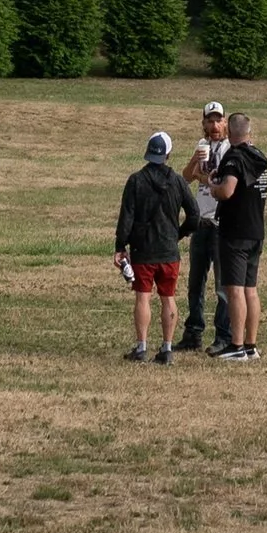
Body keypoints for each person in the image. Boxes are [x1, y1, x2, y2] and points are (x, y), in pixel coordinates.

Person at [116, 129, 190, 365]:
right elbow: (195, 215)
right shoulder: (178, 181)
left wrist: (120, 247)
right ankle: (167, 349)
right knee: (168, 298)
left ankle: (141, 347)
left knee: (143, 298)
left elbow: (126, 217)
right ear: (168, 155)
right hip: (169, 251)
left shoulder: (136, 180)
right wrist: (179, 234)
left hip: (143, 251)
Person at [214, 110, 267, 363]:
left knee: (234, 290)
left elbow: (227, 191)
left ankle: (236, 346)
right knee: (251, 290)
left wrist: (213, 187)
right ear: (250, 132)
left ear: (229, 132)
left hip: (236, 232)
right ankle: (251, 345)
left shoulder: (235, 158)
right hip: (256, 230)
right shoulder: (258, 156)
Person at [178, 105, 228, 353]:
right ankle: (193, 333)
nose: (214, 126)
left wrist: (203, 178)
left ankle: (223, 336)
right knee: (195, 281)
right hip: (200, 222)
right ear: (204, 123)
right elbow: (185, 177)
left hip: (221, 224)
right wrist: (195, 161)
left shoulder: (231, 150)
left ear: (226, 123)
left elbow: (222, 185)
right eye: (210, 121)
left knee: (222, 285)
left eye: (218, 120)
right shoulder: (202, 144)